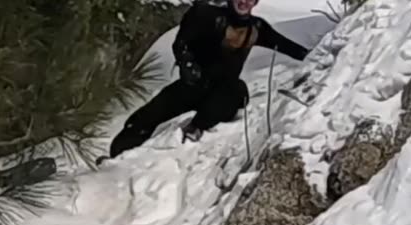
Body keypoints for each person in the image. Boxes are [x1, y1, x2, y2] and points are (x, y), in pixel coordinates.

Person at [107, 0, 311, 159]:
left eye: (250, 0)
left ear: (255, 3)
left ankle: (196, 128)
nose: (244, 2)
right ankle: (117, 156)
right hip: (193, 85)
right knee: (146, 116)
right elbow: (181, 43)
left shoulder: (257, 28)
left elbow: (289, 48)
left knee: (236, 91)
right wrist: (188, 66)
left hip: (225, 90)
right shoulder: (208, 17)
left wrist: (319, 56)